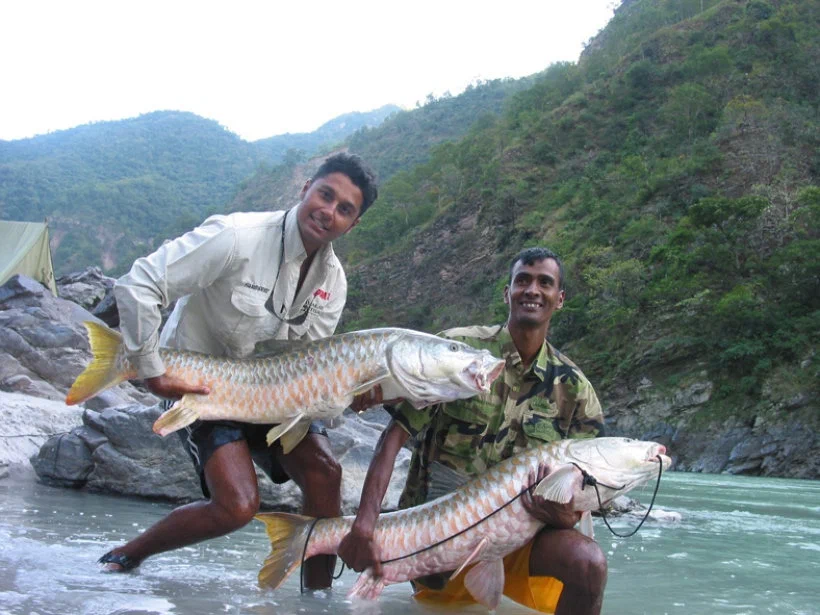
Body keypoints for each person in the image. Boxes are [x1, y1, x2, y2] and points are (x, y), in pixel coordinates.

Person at [99, 152, 379, 589]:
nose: (329, 211)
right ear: (306, 188)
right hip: (201, 386)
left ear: (353, 224)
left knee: (326, 473)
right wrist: (151, 370)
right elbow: (139, 284)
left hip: (275, 392)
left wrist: (349, 395)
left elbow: (308, 365)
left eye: (345, 209)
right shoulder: (235, 237)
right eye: (326, 195)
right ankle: (129, 553)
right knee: (238, 505)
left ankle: (317, 596)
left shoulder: (333, 283)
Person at [337, 247, 608, 614]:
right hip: (439, 540)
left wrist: (563, 516)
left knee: (588, 564)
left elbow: (587, 488)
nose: (532, 290)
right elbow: (394, 436)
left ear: (559, 299)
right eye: (522, 280)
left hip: (521, 538)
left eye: (545, 283)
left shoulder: (574, 389)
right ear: (507, 293)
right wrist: (364, 527)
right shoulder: (456, 354)